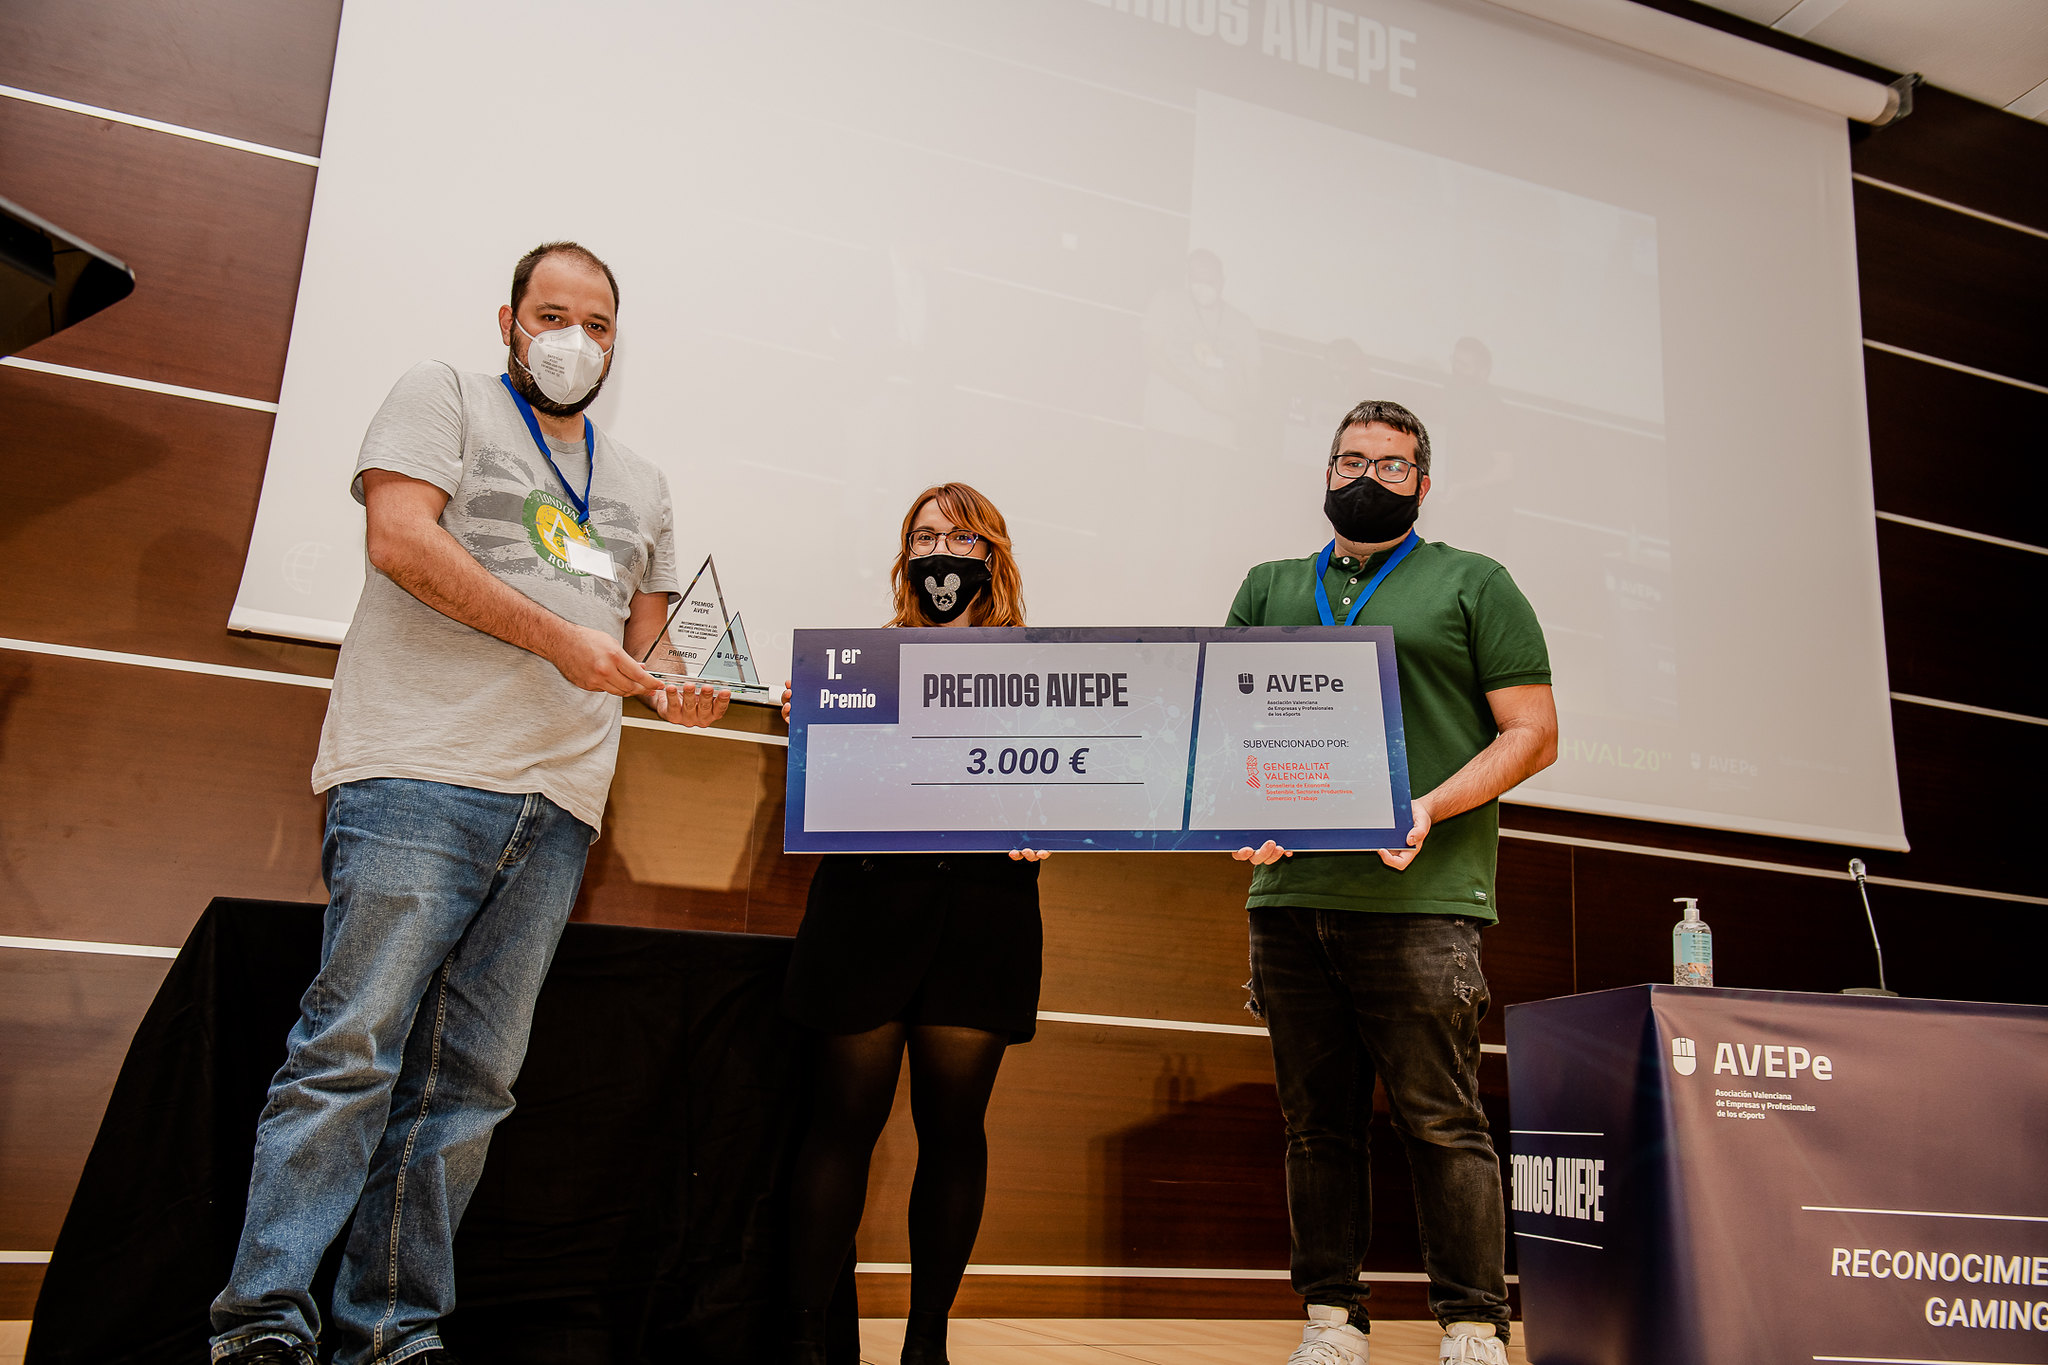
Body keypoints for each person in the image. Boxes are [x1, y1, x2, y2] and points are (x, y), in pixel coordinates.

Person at [210, 242, 730, 1365]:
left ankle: (392, 1333)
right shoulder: (442, 394)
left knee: (469, 1088)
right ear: (509, 321)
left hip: (561, 802)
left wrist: (686, 687)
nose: (574, 340)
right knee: (349, 1053)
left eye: (598, 324)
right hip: (419, 769)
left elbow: (653, 645)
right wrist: (559, 641)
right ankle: (262, 1325)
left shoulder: (641, 480)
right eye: (553, 315)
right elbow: (399, 539)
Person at [1226, 400, 1557, 1365]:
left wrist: (1429, 805)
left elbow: (1534, 732)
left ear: (1423, 482)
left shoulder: (1474, 582)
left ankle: (1472, 1326)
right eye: (1350, 460)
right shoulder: (1268, 585)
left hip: (1421, 900)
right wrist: (1242, 812)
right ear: (1326, 472)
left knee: (1442, 1121)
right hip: (1290, 901)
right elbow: (1226, 731)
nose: (1367, 477)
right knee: (1316, 1127)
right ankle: (1332, 1321)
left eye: (1391, 464)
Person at [777, 483, 1048, 1365]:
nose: (942, 552)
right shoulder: (861, 665)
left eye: (961, 538)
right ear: (906, 556)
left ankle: (926, 1344)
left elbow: (1067, 783)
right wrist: (809, 724)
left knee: (954, 1130)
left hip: (983, 917)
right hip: (867, 909)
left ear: (992, 556)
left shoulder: (1042, 671)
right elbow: (834, 787)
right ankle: (806, 1344)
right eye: (925, 536)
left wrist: (1057, 817)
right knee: (840, 1124)